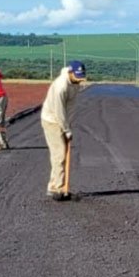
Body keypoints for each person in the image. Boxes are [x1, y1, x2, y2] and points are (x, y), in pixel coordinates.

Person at [41, 60, 87, 200]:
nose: (80, 79)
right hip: (52, 120)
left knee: (60, 154)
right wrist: (66, 129)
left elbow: (70, 107)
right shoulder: (61, 86)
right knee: (59, 154)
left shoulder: (76, 83)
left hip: (63, 120)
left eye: (81, 76)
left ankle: (56, 186)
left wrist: (68, 125)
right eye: (77, 76)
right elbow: (58, 111)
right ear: (70, 72)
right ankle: (57, 188)